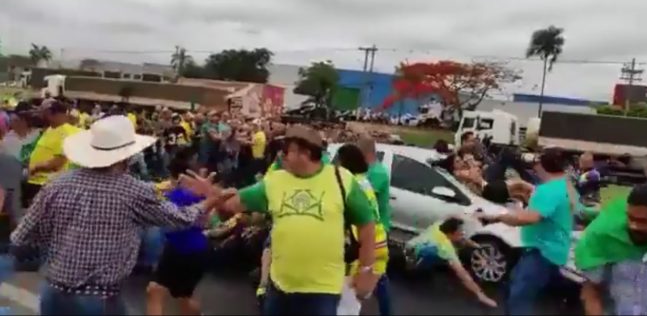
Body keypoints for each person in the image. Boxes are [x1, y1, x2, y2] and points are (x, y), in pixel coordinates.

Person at [11, 115, 228, 315]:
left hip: (52, 293)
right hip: (99, 297)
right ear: (127, 155)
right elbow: (181, 218)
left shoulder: (56, 184)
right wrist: (210, 200)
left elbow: (21, 236)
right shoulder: (132, 190)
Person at [181, 125, 378, 316]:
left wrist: (366, 268)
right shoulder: (275, 180)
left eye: (286, 151)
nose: (280, 155)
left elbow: (367, 224)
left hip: (323, 291)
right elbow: (232, 204)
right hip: (280, 288)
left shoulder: (342, 179)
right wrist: (212, 195)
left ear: (306, 153)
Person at [478, 147, 575, 315]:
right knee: (523, 282)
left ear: (541, 166)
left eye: (536, 163)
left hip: (541, 252)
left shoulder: (548, 191)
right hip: (556, 248)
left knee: (519, 297)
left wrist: (497, 217)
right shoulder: (564, 186)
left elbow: (528, 219)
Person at [577, 182, 647, 315]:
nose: (633, 226)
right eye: (630, 217)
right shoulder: (607, 234)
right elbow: (591, 291)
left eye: (643, 221)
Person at [146, 151, 211, 316]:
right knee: (182, 298)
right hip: (195, 251)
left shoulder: (176, 196)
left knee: (156, 291)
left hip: (181, 251)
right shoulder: (198, 195)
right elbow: (206, 220)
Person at [335, 144, 389, 316]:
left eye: (337, 159)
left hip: (361, 250)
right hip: (377, 246)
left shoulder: (350, 185)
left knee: (345, 304)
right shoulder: (363, 181)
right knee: (352, 303)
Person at [405, 217, 497, 308]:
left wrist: (477, 246)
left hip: (411, 245)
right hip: (412, 256)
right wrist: (481, 295)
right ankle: (416, 269)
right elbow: (463, 274)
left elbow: (461, 237)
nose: (462, 233)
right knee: (436, 253)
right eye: (459, 232)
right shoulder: (445, 247)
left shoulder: (439, 225)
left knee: (451, 247)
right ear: (450, 234)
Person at [356, 135, 393, 316]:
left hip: (378, 230)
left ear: (366, 153)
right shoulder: (369, 170)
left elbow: (364, 197)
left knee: (378, 275)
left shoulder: (377, 173)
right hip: (369, 228)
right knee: (371, 271)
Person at [24, 101, 80, 208]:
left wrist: (34, 167)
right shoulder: (51, 129)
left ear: (51, 113)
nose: (41, 116)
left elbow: (58, 162)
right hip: (36, 181)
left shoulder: (66, 132)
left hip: (47, 184)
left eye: (44, 113)